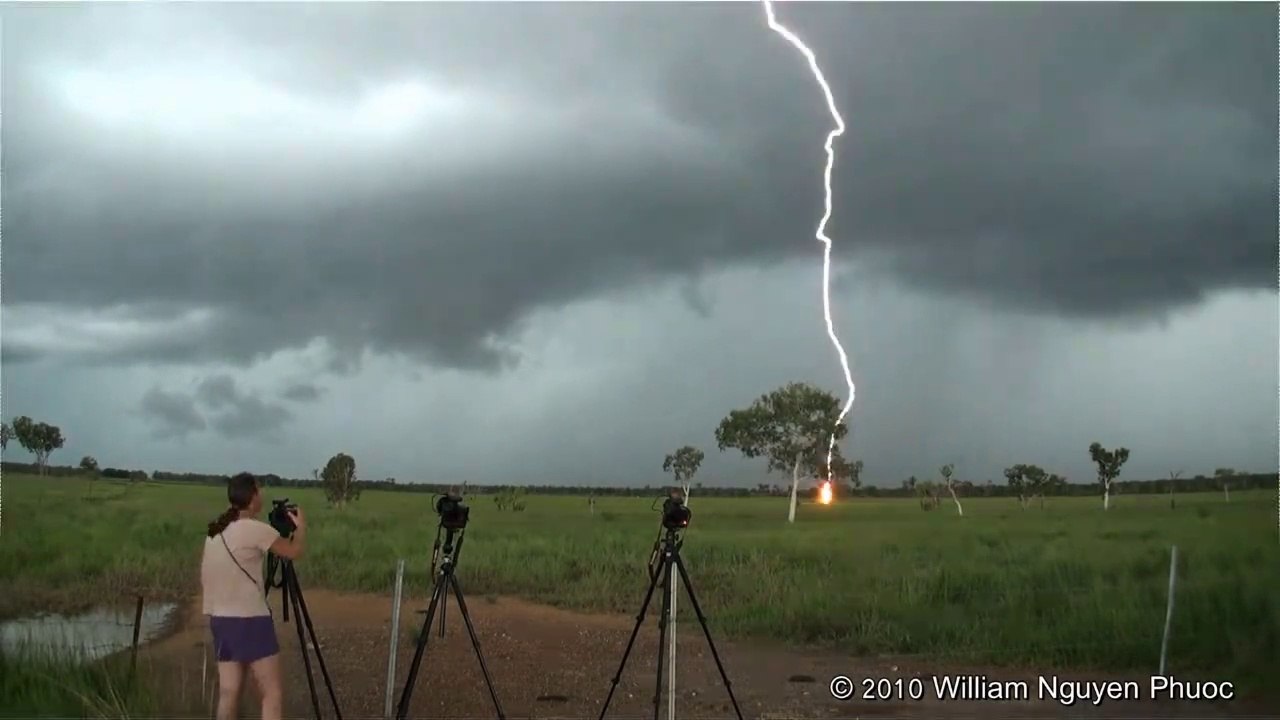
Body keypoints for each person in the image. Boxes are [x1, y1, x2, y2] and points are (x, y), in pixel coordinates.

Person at [202, 472, 306, 720]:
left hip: (220, 619)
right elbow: (293, 551)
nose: (262, 495)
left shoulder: (215, 530)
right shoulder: (256, 530)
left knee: (229, 692)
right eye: (259, 491)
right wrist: (301, 527)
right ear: (252, 497)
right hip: (249, 619)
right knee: (271, 694)